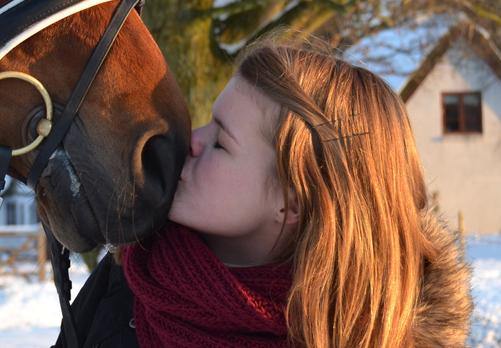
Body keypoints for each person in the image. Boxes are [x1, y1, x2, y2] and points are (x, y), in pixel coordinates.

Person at [54, 37, 472, 347]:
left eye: (221, 143)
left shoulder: (366, 335)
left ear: (292, 200)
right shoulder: (132, 276)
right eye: (209, 122)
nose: (193, 140)